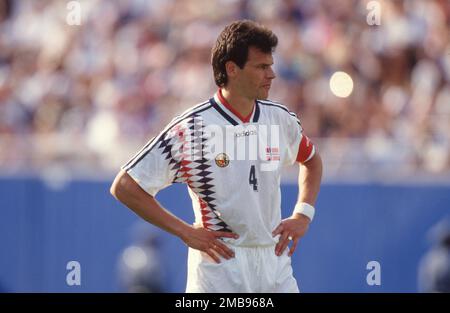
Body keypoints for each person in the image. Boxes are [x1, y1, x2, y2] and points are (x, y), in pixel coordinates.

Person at [110, 19, 322, 293]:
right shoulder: (191, 129)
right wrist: (185, 232)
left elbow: (312, 160)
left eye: (270, 65)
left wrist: (303, 214)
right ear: (232, 69)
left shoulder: (280, 120)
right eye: (261, 66)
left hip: (274, 263)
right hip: (220, 267)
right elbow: (125, 186)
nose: (271, 74)